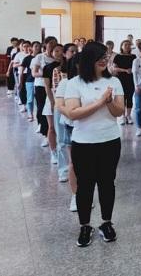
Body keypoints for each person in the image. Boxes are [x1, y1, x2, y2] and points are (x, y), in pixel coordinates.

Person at [64, 42, 125, 247]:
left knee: (107, 183)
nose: (104, 60)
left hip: (110, 140)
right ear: (89, 59)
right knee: (85, 186)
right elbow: (73, 113)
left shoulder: (114, 81)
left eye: (105, 57)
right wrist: (99, 102)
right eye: (99, 57)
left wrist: (109, 101)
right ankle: (85, 226)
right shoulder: (75, 83)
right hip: (84, 143)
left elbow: (119, 112)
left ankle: (106, 223)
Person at [55, 54, 79, 210]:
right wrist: (74, 114)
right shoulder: (66, 82)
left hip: (89, 127)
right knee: (74, 162)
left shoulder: (92, 82)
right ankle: (76, 196)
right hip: (72, 125)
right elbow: (60, 106)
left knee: (88, 164)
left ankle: (86, 193)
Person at [31, 36, 58, 146]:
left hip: (54, 87)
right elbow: (34, 73)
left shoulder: (57, 57)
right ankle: (46, 134)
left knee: (53, 110)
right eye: (50, 43)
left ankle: (54, 132)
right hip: (41, 86)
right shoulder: (40, 57)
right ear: (45, 44)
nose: (53, 45)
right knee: (43, 109)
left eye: (55, 43)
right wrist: (46, 74)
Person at [43, 43, 66, 165]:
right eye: (56, 51)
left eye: (61, 51)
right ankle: (53, 152)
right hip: (52, 98)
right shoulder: (48, 67)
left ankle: (64, 151)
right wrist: (52, 102)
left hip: (66, 99)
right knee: (52, 127)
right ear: (51, 53)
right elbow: (47, 86)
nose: (59, 53)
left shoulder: (68, 65)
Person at [112, 40, 135, 125]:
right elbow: (114, 68)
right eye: (125, 45)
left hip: (131, 79)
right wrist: (125, 70)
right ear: (121, 46)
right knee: (122, 98)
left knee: (130, 97)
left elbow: (137, 67)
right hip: (121, 79)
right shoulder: (118, 56)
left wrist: (132, 70)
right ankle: (122, 116)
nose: (127, 46)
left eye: (129, 45)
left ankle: (128, 116)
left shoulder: (133, 56)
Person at [20, 41, 40, 122]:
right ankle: (30, 114)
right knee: (30, 99)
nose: (38, 48)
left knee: (39, 99)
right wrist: (20, 82)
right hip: (30, 80)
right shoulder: (27, 58)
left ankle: (39, 115)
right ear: (31, 48)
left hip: (40, 80)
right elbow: (21, 71)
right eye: (36, 46)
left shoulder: (41, 57)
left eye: (39, 46)